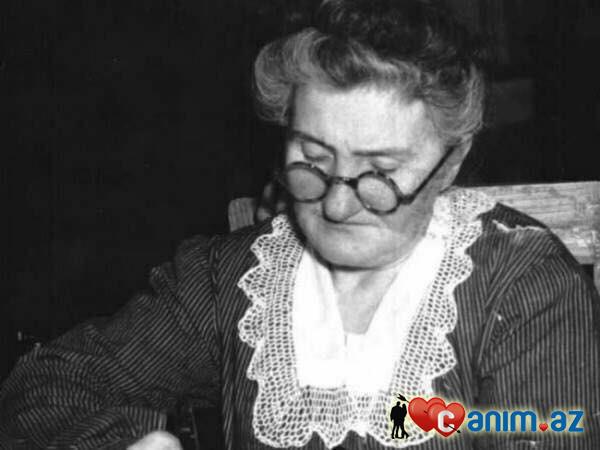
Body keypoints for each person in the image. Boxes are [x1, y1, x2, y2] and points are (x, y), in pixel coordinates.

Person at [1, 0, 600, 449]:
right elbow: (48, 387)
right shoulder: (233, 277)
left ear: (451, 163)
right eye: (312, 160)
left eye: (380, 173)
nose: (335, 207)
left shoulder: (523, 283)